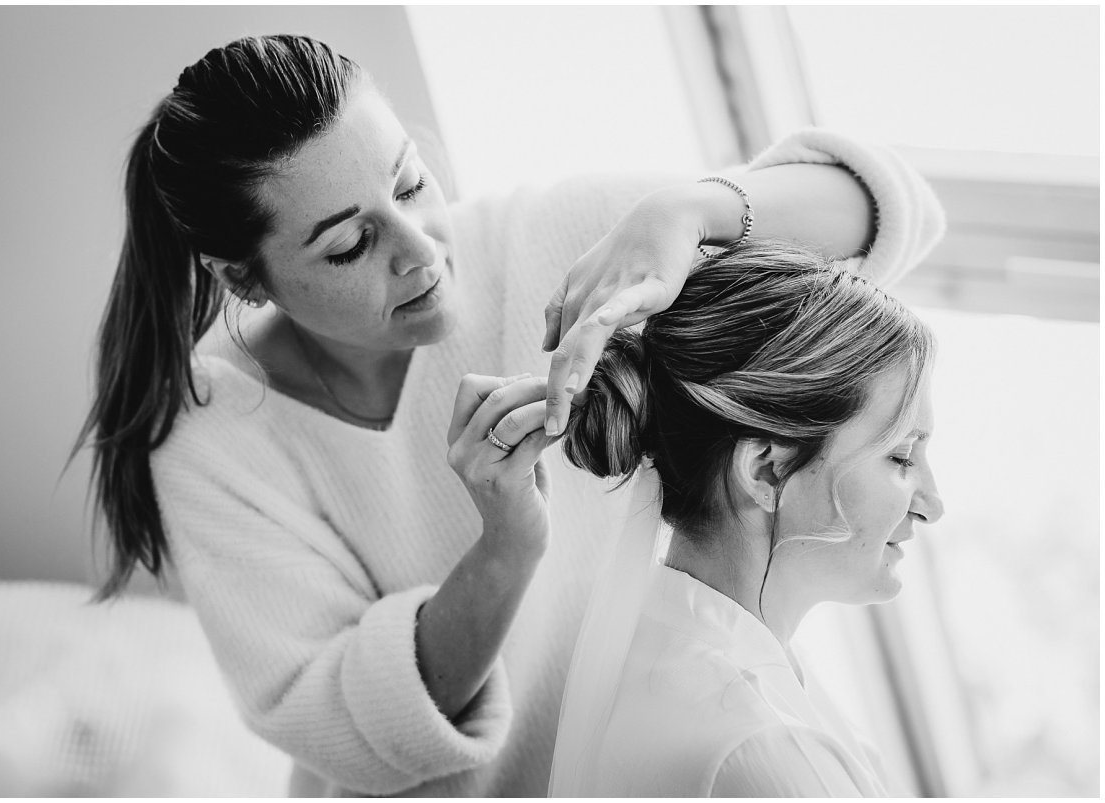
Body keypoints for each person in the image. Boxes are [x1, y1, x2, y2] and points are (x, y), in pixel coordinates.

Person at [75, 33, 945, 796]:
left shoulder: (552, 242)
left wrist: (687, 211)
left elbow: (893, 211)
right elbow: (352, 734)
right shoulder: (210, 436)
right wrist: (507, 541)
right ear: (246, 279)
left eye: (411, 186)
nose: (421, 252)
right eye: (351, 244)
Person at [549, 240, 943, 796]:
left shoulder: (666, 639)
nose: (932, 504)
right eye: (901, 457)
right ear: (767, 470)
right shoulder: (763, 748)